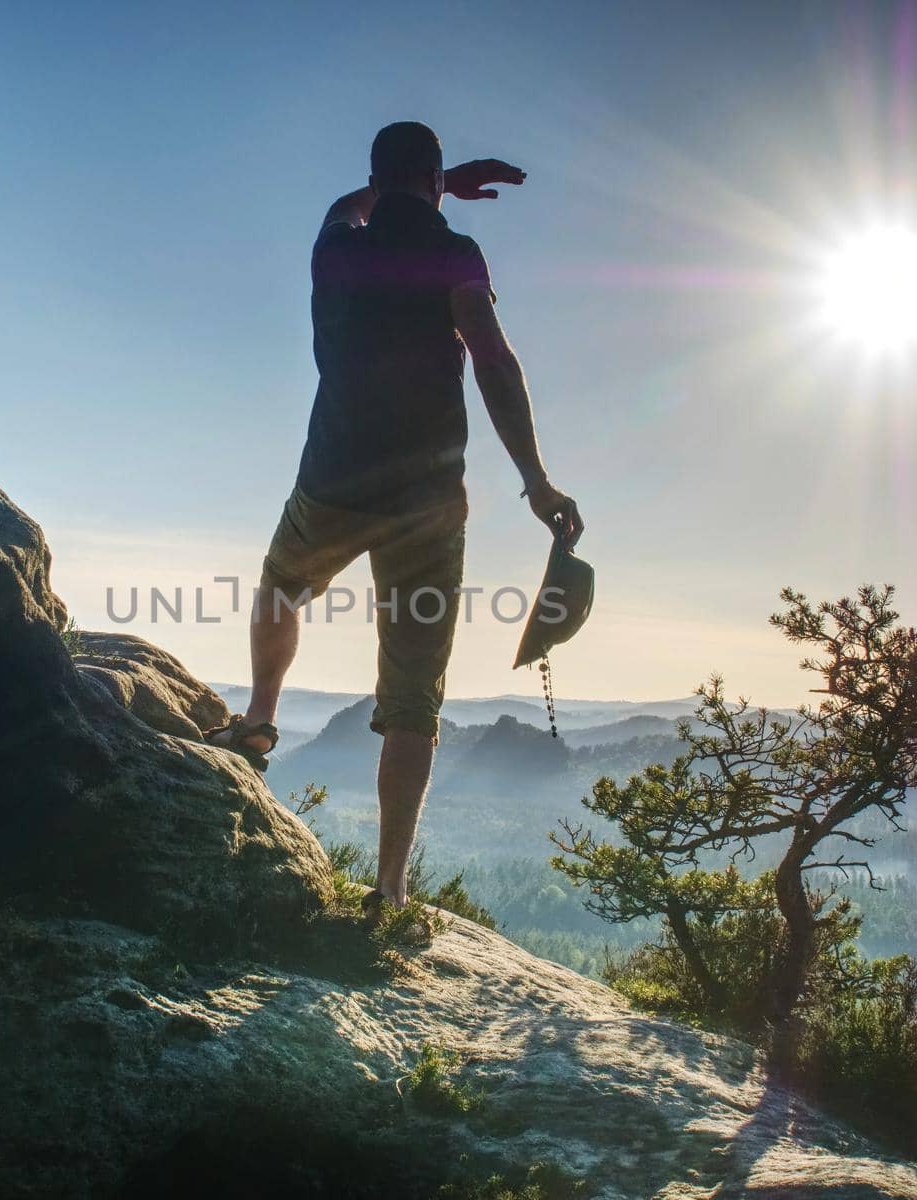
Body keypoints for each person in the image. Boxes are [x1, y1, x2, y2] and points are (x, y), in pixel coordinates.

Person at [206, 121, 583, 916]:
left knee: (281, 584)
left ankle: (262, 720)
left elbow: (349, 203)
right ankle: (390, 888)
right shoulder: (456, 257)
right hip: (430, 499)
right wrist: (537, 481)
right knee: (414, 694)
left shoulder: (337, 247)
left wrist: (428, 183)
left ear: (377, 176)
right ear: (436, 176)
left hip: (335, 479)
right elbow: (493, 360)